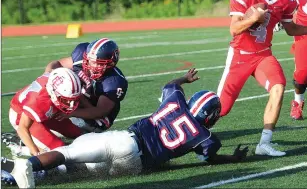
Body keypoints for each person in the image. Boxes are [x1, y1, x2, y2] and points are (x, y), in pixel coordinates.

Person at [6, 68, 249, 189]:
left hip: (124, 139)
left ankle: (28, 165)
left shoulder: (175, 100)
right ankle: (26, 174)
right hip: (135, 165)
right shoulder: (206, 137)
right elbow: (210, 158)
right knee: (77, 171)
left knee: (69, 154)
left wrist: (184, 79)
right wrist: (234, 157)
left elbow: (170, 84)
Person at [217, 0, 307, 157]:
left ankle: (264, 143)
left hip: (263, 55)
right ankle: (192, 135)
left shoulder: (286, 0)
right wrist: (254, 19)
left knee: (278, 86)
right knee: (221, 109)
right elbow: (234, 30)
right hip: (240, 55)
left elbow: (291, 29)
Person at [44, 38, 128, 133]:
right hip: (77, 101)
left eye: (98, 63)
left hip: (95, 119)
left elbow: (99, 111)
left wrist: (72, 113)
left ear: (111, 63)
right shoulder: (81, 55)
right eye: (89, 60)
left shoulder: (113, 82)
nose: (91, 65)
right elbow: (57, 64)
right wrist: (48, 75)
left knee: (54, 125)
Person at [5, 68, 83, 156]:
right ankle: (20, 148)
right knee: (59, 151)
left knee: (75, 132)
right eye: (66, 100)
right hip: (23, 117)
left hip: (48, 109)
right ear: (53, 92)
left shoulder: (59, 83)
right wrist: (36, 154)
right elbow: (22, 128)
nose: (71, 105)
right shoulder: (37, 101)